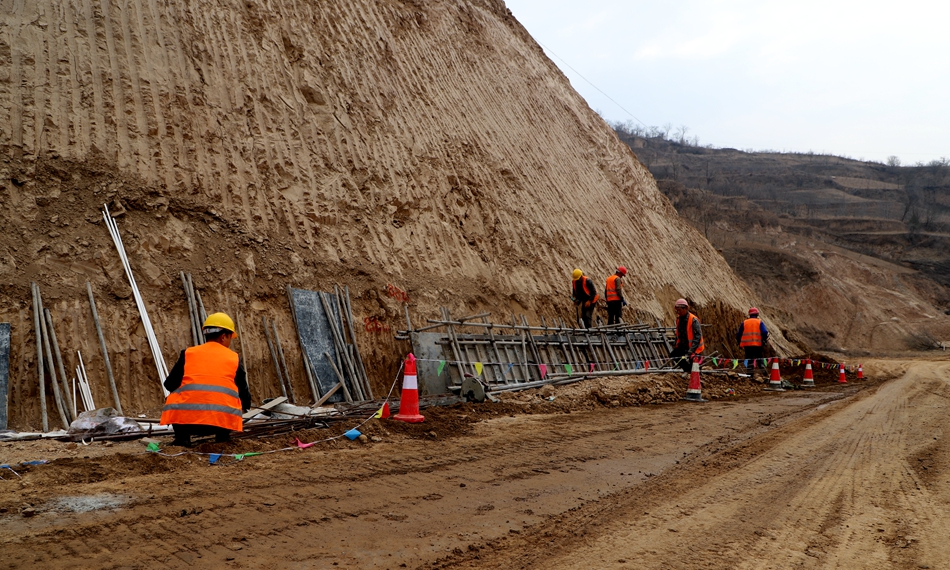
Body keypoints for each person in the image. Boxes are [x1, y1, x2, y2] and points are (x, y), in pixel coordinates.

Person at [161, 312, 251, 447]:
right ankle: (223, 437)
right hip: (220, 423)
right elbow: (243, 392)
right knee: (233, 398)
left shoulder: (188, 354)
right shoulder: (234, 358)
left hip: (188, 423)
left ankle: (182, 439)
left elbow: (169, 384)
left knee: (172, 396)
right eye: (230, 338)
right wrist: (245, 406)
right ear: (223, 336)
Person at [668, 298, 704, 373]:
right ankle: (688, 371)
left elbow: (698, 336)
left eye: (679, 310)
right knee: (674, 355)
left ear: (685, 308)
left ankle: (695, 374)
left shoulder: (693, 320)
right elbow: (678, 334)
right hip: (683, 346)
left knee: (694, 365)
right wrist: (676, 344)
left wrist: (691, 351)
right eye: (677, 310)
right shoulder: (679, 319)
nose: (678, 312)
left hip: (693, 348)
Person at [737, 307, 769, 373]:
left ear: (749, 314)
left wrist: (739, 342)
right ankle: (762, 369)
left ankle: (750, 373)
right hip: (757, 344)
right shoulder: (759, 322)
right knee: (759, 357)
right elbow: (764, 332)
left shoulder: (744, 322)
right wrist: (764, 339)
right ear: (757, 314)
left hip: (747, 345)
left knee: (749, 359)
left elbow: (739, 334)